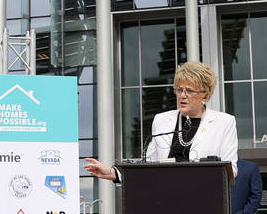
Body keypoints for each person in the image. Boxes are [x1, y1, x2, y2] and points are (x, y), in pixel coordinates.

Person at [84, 61, 239, 182]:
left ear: (205, 96)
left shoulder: (224, 122)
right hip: (165, 200)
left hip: (205, 201)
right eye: (179, 90)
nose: (182, 95)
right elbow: (148, 166)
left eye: (189, 91)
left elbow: (231, 169)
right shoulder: (162, 120)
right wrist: (113, 173)